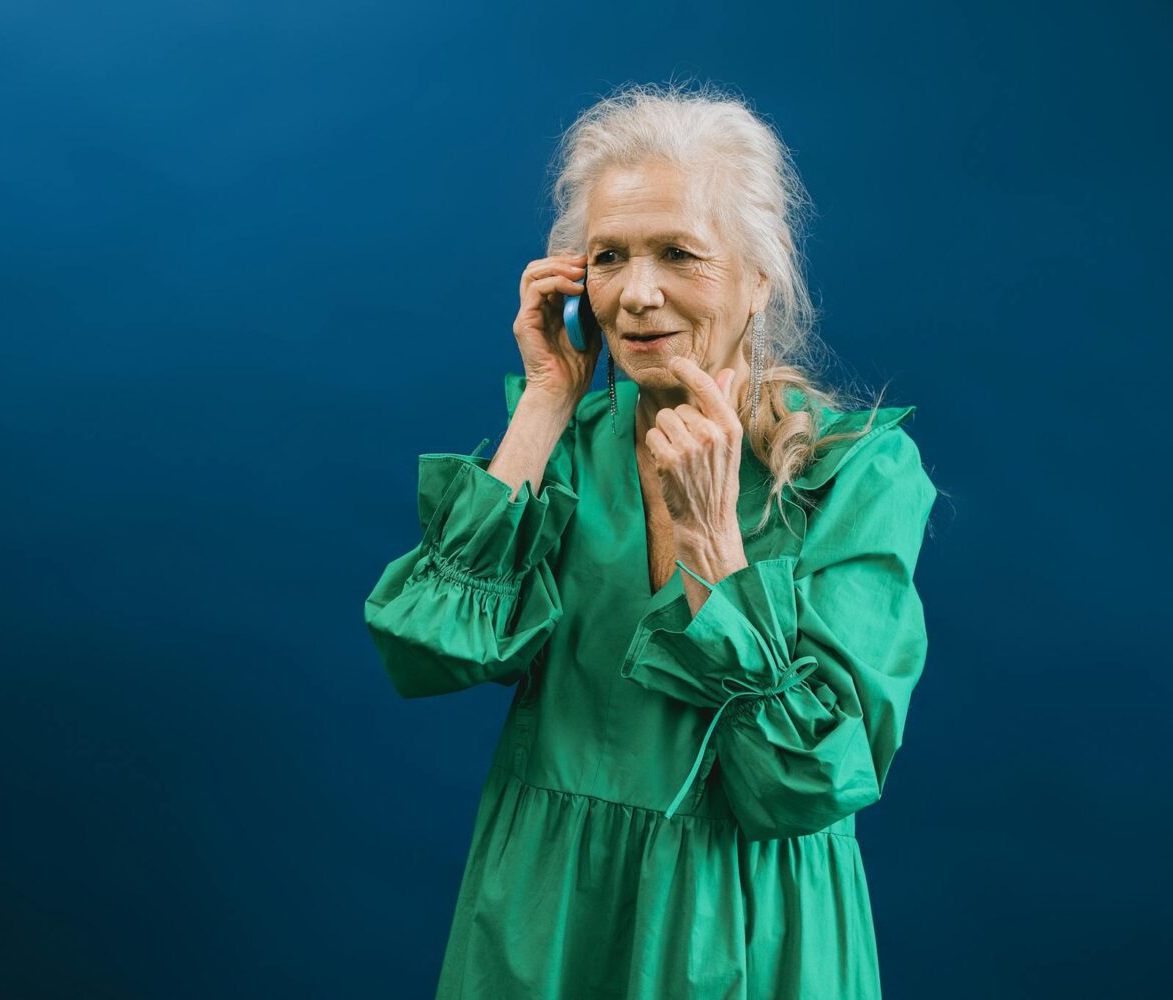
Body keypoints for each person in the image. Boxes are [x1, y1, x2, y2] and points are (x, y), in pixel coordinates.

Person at [362, 81, 939, 1000]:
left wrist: (714, 538)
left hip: (747, 917)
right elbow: (426, 648)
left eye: (679, 254)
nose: (635, 295)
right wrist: (549, 398)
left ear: (759, 278)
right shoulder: (564, 448)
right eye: (608, 256)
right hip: (549, 907)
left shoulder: (862, 472)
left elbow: (806, 781)